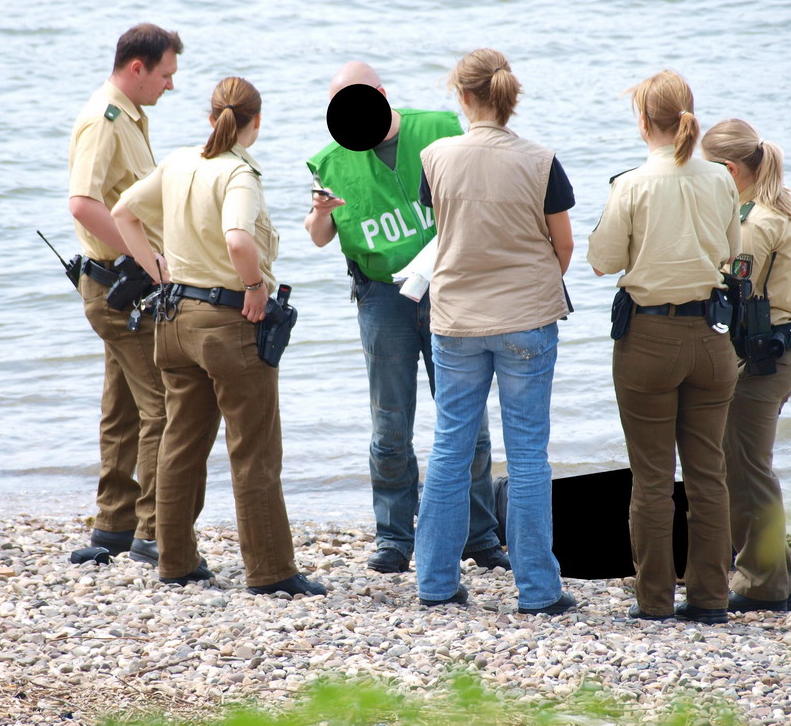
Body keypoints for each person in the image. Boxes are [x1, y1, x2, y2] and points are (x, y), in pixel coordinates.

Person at [111, 76, 326, 596]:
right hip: (228, 326)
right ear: (255, 123)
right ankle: (271, 571)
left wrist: (154, 267)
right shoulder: (239, 173)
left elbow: (122, 213)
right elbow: (237, 239)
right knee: (252, 449)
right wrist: (254, 285)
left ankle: (175, 560)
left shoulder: (182, 160)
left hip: (174, 319)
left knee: (181, 442)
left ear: (211, 119)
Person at [305, 61, 507, 575]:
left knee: (467, 419)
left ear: (380, 94)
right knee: (390, 424)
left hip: (448, 289)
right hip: (382, 298)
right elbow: (319, 235)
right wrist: (322, 212)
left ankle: (480, 535)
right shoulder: (328, 158)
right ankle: (394, 536)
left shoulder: (438, 126)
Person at [412, 49, 576, 612]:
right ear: (510, 95)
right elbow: (564, 246)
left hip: (456, 317)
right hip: (525, 319)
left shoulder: (434, 157)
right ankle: (538, 590)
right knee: (528, 455)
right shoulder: (540, 159)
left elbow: (450, 230)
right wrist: (531, 289)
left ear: (461, 94)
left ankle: (434, 584)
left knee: (450, 449)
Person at [587, 70, 741, 625]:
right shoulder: (722, 179)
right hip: (712, 338)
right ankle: (710, 600)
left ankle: (655, 602)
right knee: (709, 476)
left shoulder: (631, 184)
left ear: (642, 121)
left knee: (652, 479)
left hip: (649, 340)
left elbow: (603, 261)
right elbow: (731, 250)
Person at [67, 23, 183, 565]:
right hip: (118, 284)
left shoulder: (130, 117)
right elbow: (83, 204)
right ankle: (154, 533)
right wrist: (147, 259)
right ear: (137, 68)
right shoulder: (106, 120)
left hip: (120, 286)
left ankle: (112, 529)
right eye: (165, 75)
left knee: (122, 408)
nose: (170, 86)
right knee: (162, 406)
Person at [701, 119, 791, 613]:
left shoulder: (751, 223)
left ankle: (766, 585)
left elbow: (731, 293)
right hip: (786, 347)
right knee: (747, 464)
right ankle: (762, 571)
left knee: (746, 468)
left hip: (757, 358)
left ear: (730, 170)